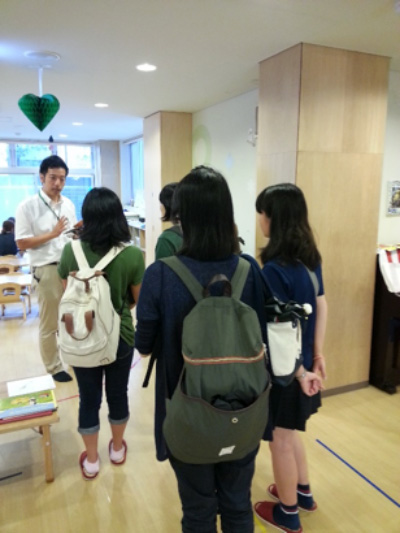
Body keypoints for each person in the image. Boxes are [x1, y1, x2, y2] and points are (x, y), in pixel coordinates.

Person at [135, 167, 321, 533]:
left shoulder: (160, 274)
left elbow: (143, 346)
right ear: (227, 214)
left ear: (182, 216)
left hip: (187, 412)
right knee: (237, 506)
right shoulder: (249, 270)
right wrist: (302, 370)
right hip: (245, 410)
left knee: (198, 511)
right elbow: (270, 336)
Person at [254, 183, 327, 533]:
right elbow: (322, 305)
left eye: (262, 213)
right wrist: (318, 355)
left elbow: (278, 333)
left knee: (280, 440)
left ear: (274, 218)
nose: (260, 220)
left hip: (288, 371)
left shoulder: (272, 270)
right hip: (307, 365)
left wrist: (298, 372)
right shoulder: (311, 260)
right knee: (292, 431)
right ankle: (302, 492)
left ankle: (288, 513)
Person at [58, 187, 144, 480]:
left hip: (82, 336)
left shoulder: (70, 251)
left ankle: (92, 461)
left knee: (88, 398)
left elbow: (67, 296)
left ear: (86, 216)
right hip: (120, 337)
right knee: (118, 394)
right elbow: (137, 300)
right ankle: (117, 449)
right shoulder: (132, 254)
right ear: (119, 217)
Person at [15, 155, 77, 382]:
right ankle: (54, 367)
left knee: (71, 318)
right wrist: (53, 233)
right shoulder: (27, 206)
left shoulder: (68, 204)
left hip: (70, 268)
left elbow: (69, 236)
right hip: (46, 268)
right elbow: (21, 243)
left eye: (62, 179)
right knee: (50, 322)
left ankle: (73, 358)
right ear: (41, 177)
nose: (58, 183)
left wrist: (77, 231)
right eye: (53, 178)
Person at [155, 182, 183, 260]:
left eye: (161, 203)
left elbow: (161, 267)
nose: (160, 207)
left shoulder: (166, 239)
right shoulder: (202, 233)